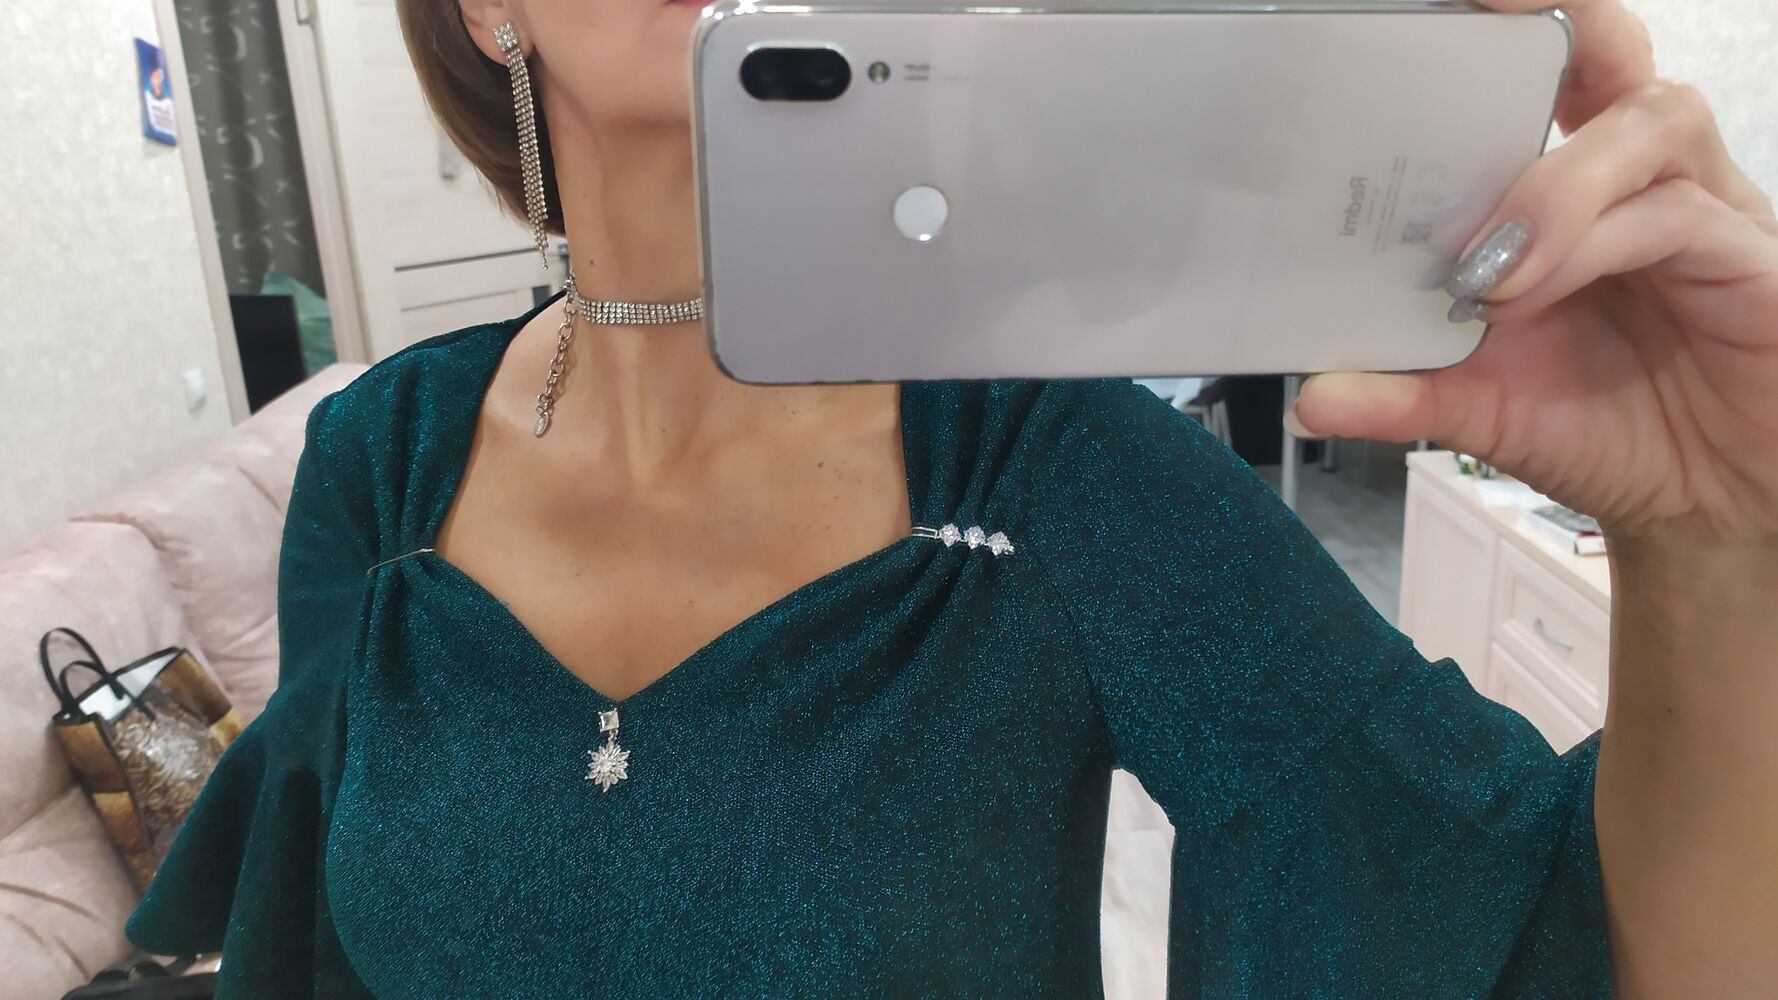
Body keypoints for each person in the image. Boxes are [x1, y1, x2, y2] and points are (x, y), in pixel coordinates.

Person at [126, 0, 1778, 996]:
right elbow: (307, 949)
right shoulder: (377, 465)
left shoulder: (1047, 470)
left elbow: (1570, 948)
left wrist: (1715, 538)